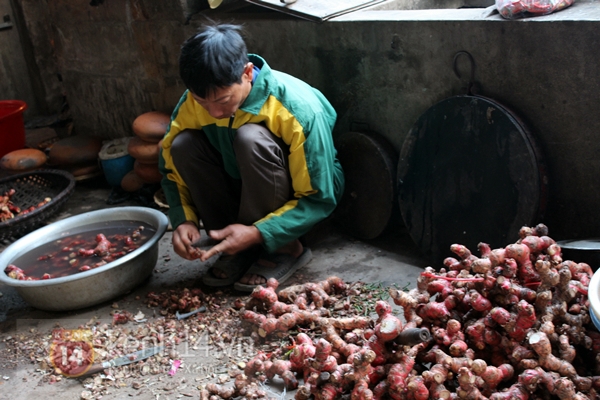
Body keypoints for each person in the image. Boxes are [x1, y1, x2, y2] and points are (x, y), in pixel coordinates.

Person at [159, 22, 344, 292]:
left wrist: (259, 232)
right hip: (245, 192)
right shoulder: (193, 103)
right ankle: (232, 244)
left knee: (251, 139)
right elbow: (170, 169)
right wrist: (183, 219)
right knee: (182, 145)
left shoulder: (297, 108)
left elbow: (319, 196)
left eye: (223, 100)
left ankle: (284, 248)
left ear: (247, 73)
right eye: (202, 102)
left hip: (303, 208)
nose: (214, 113)